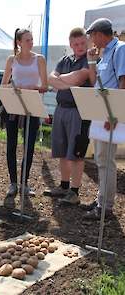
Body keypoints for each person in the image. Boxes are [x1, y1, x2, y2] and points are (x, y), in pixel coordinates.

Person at [83, 18, 125, 220]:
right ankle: (102, 198)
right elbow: (97, 82)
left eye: (91, 35)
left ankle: (105, 206)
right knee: (101, 158)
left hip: (111, 112)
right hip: (102, 110)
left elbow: (123, 81)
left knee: (105, 159)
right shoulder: (105, 53)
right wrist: (92, 61)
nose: (90, 39)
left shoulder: (120, 49)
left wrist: (115, 113)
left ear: (100, 34)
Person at [1, 28, 47, 207]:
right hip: (14, 105)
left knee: (29, 146)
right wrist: (12, 88)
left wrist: (30, 88)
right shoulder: (11, 59)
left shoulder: (40, 59)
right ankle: (13, 183)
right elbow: (4, 83)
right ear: (19, 42)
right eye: (27, 40)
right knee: (11, 144)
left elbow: (45, 85)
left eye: (32, 39)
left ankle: (24, 183)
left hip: (32, 105)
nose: (31, 42)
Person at [46, 28, 90, 205]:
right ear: (70, 44)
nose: (79, 47)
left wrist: (61, 81)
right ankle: (63, 186)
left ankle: (74, 192)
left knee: (76, 152)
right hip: (61, 108)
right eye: (76, 44)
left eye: (82, 43)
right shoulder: (64, 60)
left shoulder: (90, 61)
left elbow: (79, 79)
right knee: (62, 150)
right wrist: (67, 81)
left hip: (78, 111)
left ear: (86, 42)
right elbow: (50, 78)